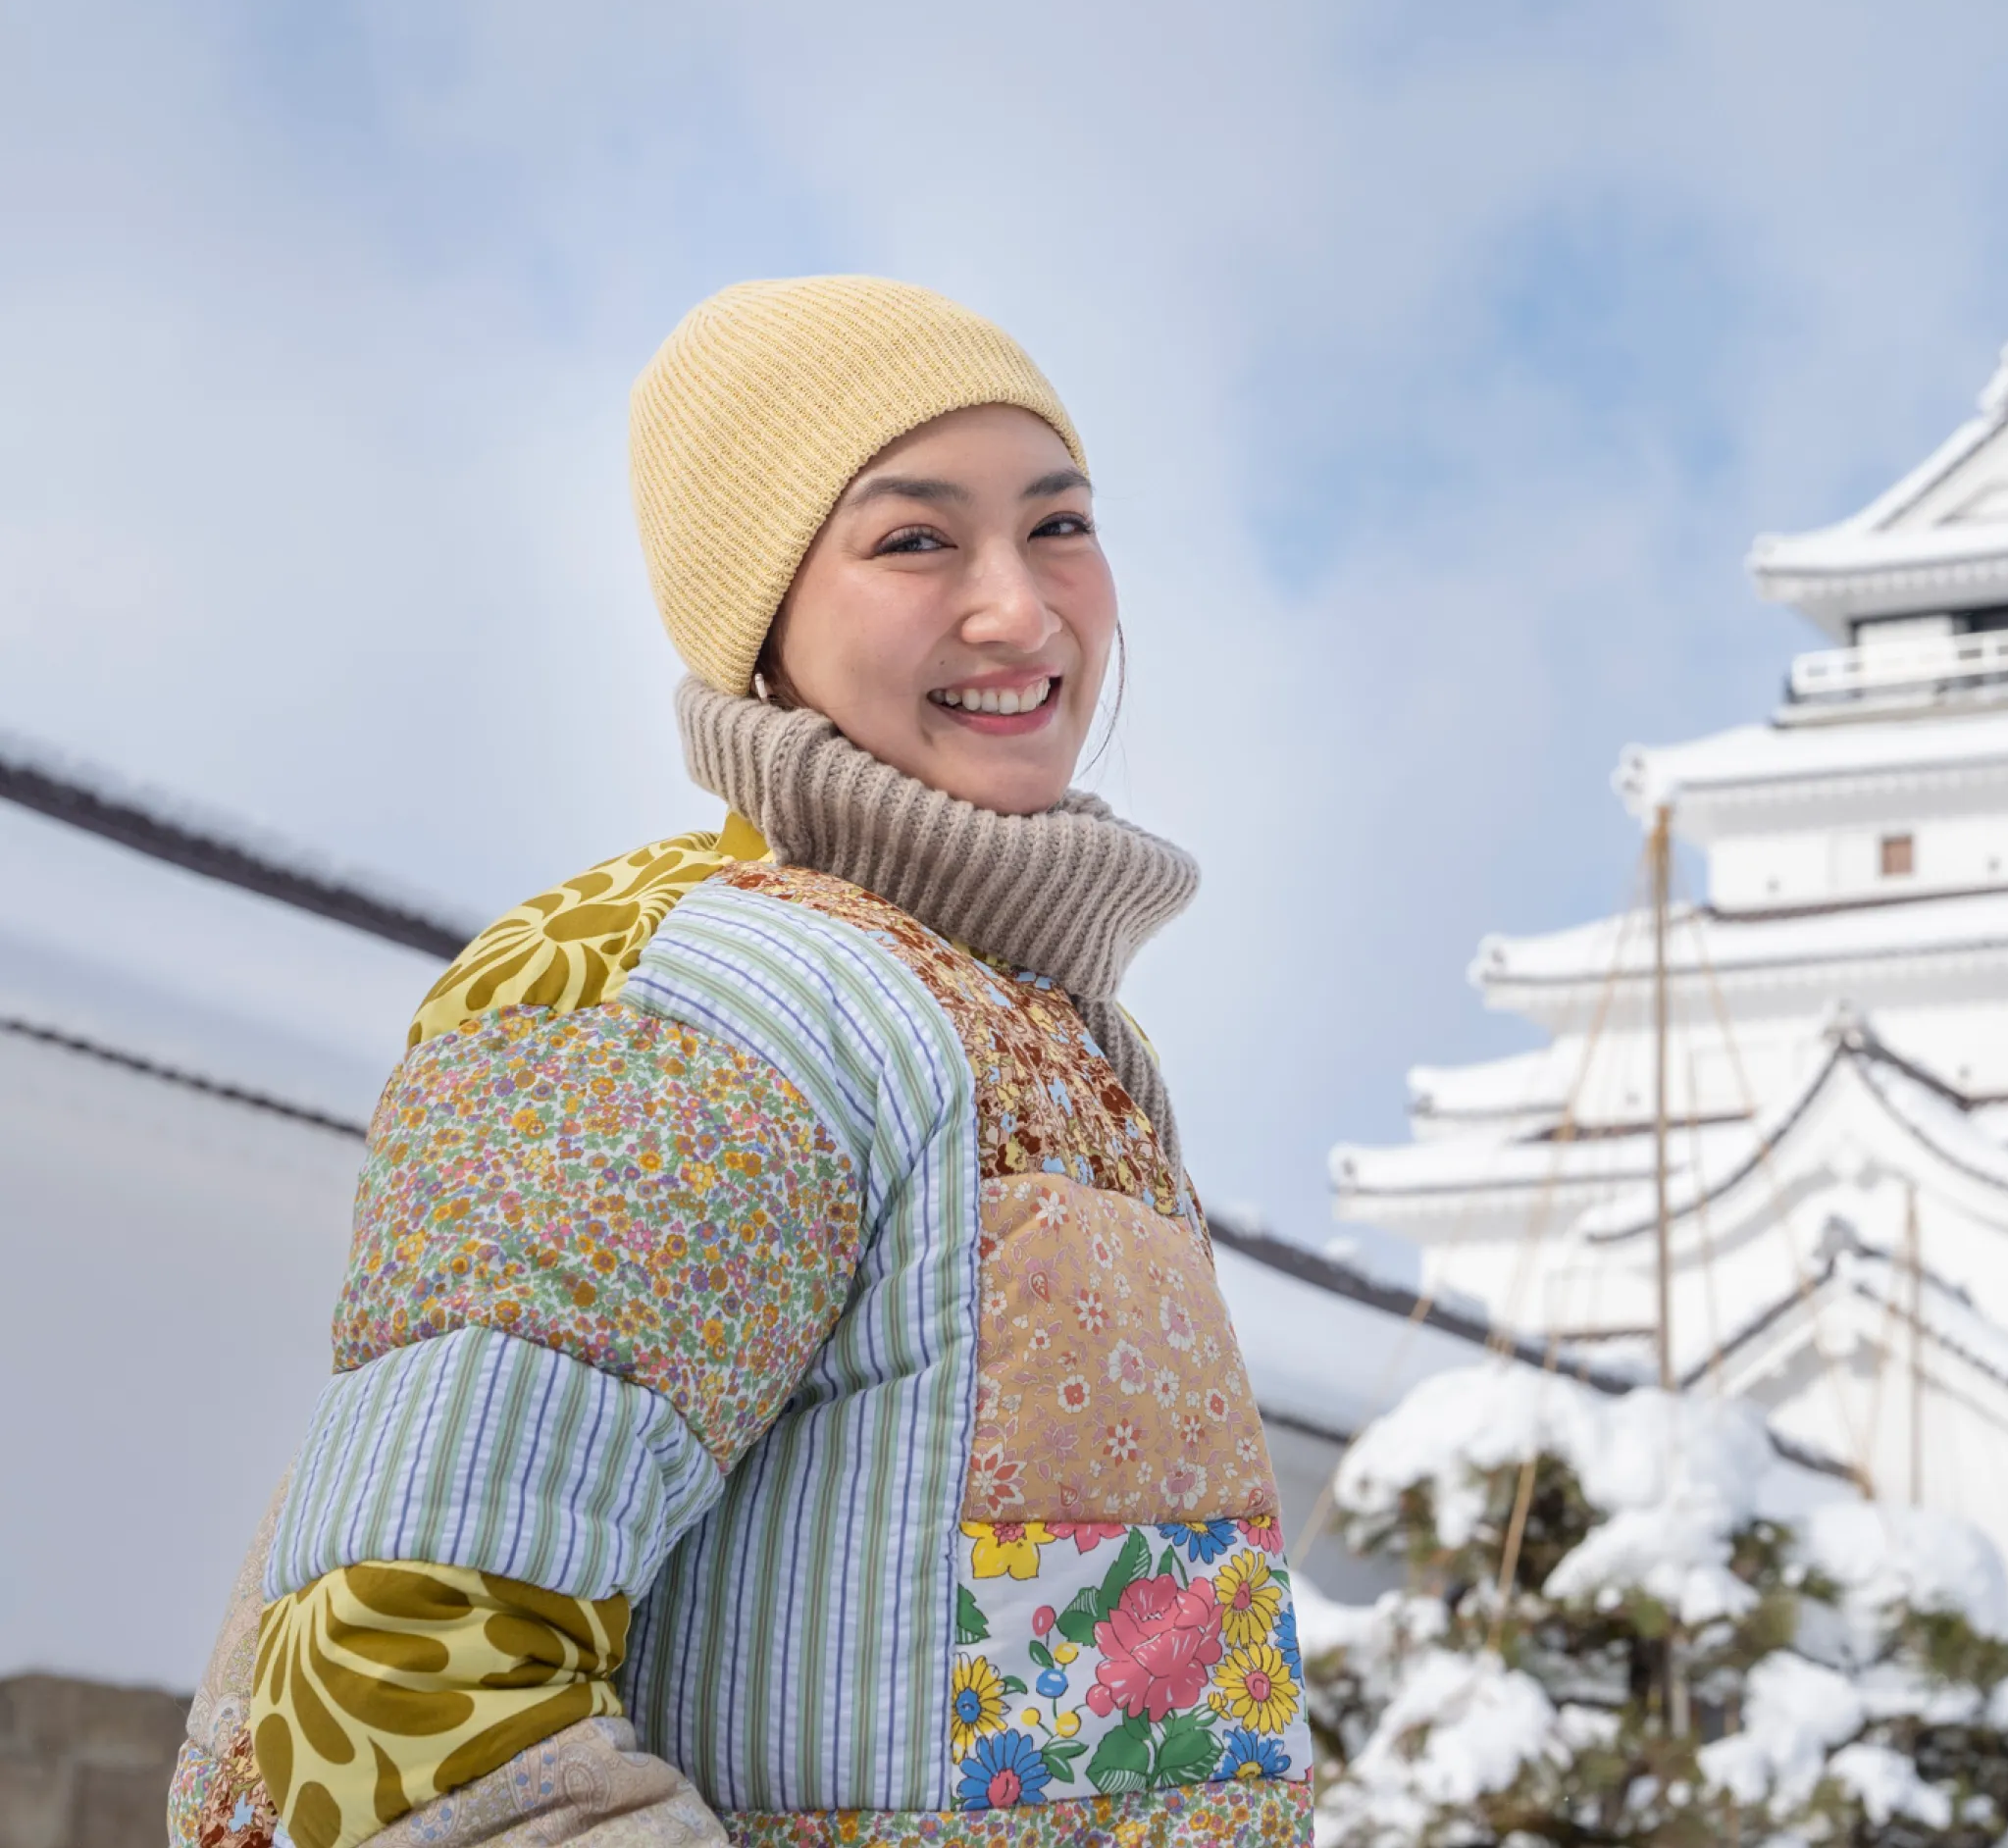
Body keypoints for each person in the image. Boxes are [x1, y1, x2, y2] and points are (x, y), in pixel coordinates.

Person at [166, 279, 1310, 1848]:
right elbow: (390, 1679)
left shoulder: (1041, 1040)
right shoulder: (702, 1005)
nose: (1021, 609)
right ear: (756, 613)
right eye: (915, 539)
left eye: (1059, 523)